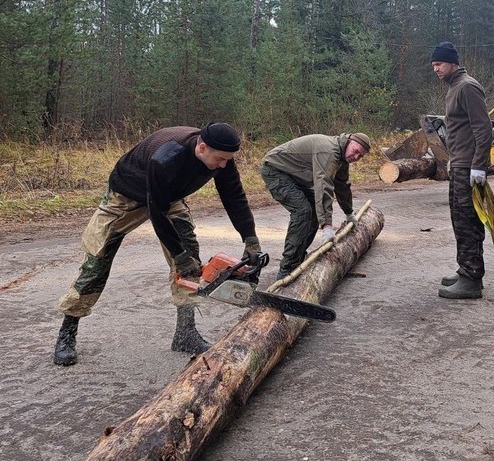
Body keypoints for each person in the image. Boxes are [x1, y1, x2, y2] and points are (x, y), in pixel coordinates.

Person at [53, 123, 262, 366]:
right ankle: (67, 331)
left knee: (190, 261)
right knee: (96, 262)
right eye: (220, 160)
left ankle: (185, 333)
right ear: (202, 148)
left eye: (228, 160)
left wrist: (250, 238)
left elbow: (234, 195)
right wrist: (178, 254)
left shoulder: (221, 156)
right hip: (126, 195)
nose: (224, 165)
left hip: (168, 197)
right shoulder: (166, 157)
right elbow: (157, 212)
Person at [261, 133, 371, 280]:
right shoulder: (329, 152)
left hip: (294, 175)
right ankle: (287, 269)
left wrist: (349, 213)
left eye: (361, 156)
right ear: (349, 142)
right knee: (303, 212)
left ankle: (298, 258)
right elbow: (323, 185)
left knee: (313, 210)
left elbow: (341, 185)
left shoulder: (342, 156)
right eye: (356, 151)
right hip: (275, 171)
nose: (356, 157)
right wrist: (326, 226)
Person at [431, 41, 493, 299]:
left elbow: (483, 129)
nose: (436, 68)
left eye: (440, 63)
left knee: (468, 220)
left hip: (469, 167)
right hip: (459, 165)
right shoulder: (454, 87)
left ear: (453, 63)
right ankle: (465, 269)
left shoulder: (467, 87)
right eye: (433, 65)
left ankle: (472, 279)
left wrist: (478, 166)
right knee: (459, 219)